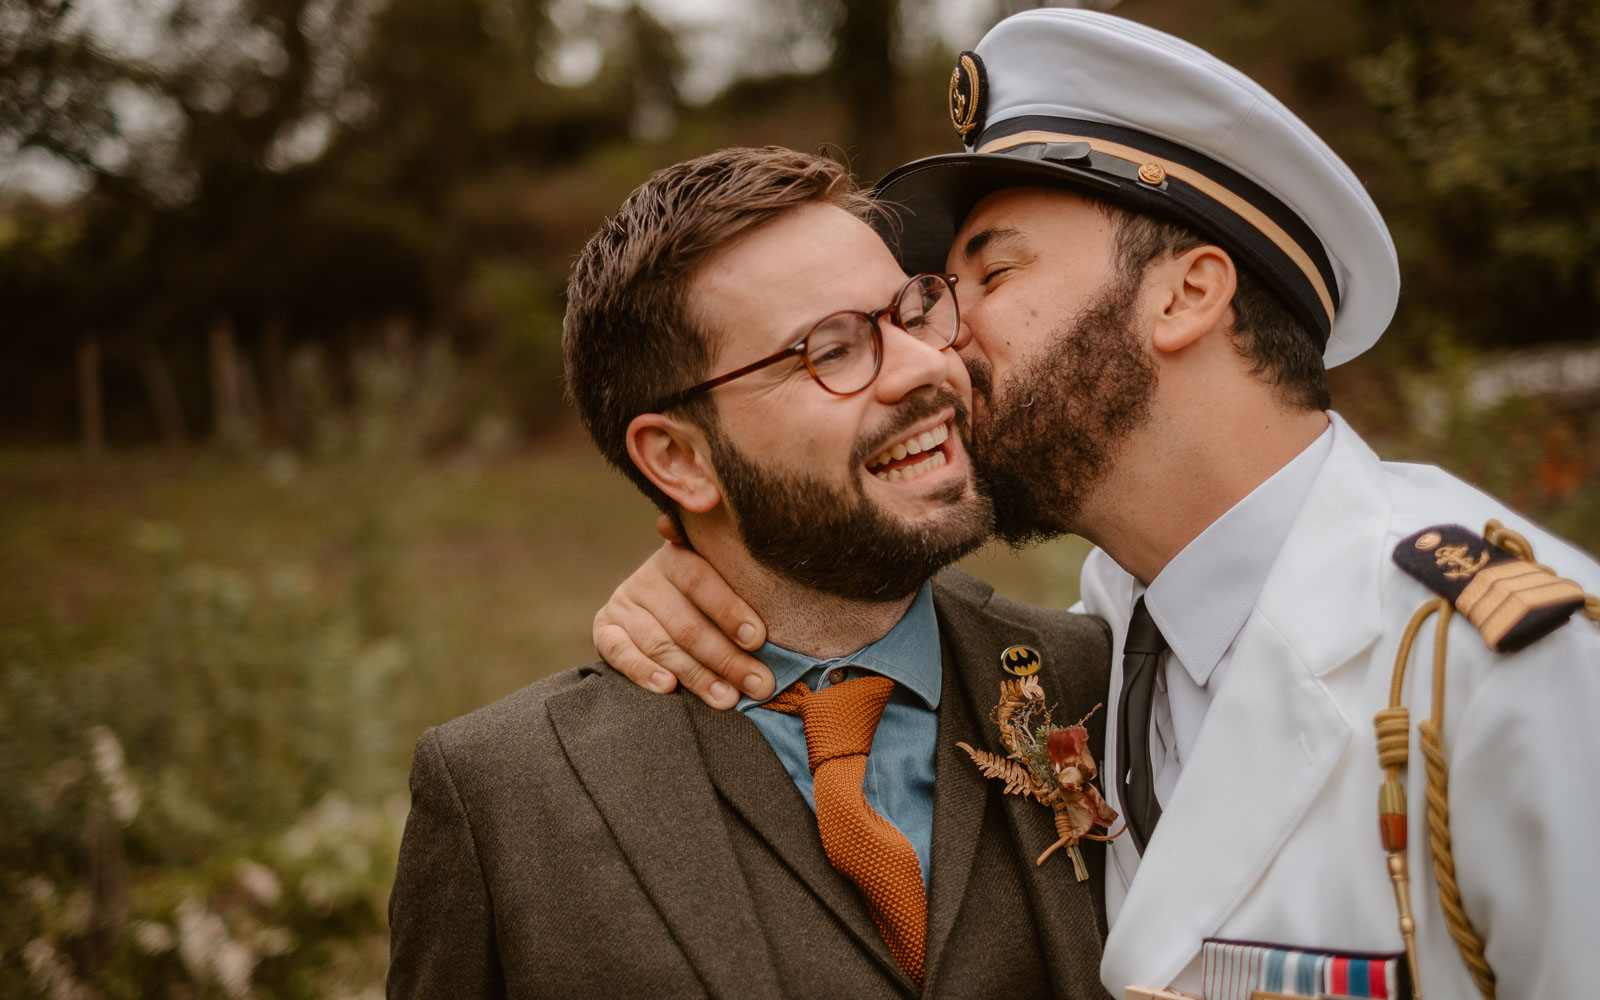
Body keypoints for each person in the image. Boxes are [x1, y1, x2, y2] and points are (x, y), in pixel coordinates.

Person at [588, 10, 1600, 1000]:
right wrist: (714, 563)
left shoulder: (1508, 665)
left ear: (1183, 296)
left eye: (991, 270)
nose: (938, 341)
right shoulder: (1090, 642)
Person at [387, 146, 1116, 999]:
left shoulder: (1100, 678)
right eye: (833, 350)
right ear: (681, 460)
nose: (929, 367)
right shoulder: (503, 798)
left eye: (913, 313)